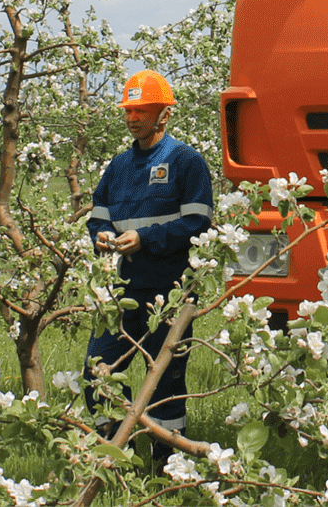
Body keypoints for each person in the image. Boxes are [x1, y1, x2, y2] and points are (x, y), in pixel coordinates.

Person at [83, 69, 214, 464]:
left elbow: (198, 222)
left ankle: (169, 462)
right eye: (129, 110)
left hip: (168, 292)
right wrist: (102, 236)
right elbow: (98, 216)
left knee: (165, 382)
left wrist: (146, 239)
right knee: (99, 369)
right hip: (119, 295)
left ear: (164, 115)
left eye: (142, 110)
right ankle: (113, 457)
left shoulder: (186, 161)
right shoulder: (119, 167)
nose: (132, 118)